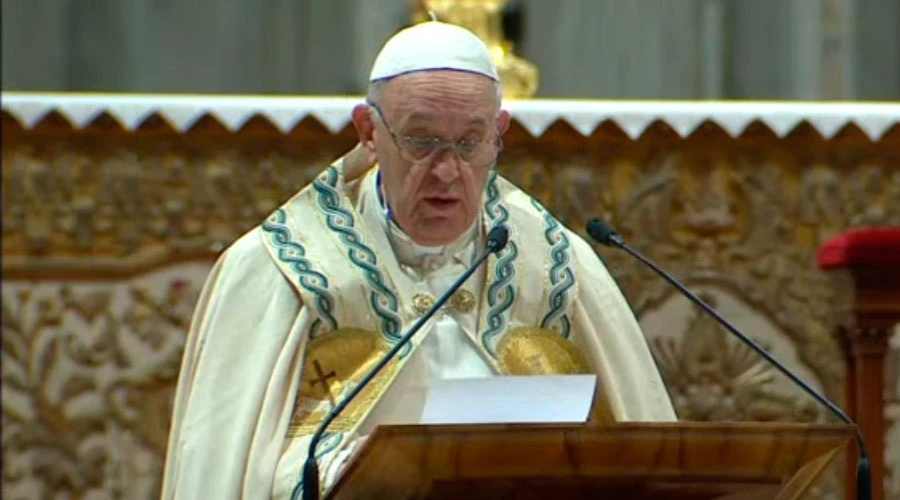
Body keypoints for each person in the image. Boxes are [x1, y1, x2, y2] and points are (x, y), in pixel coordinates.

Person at [160, 20, 676, 500]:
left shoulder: (556, 267)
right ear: (368, 131)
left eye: (471, 143)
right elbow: (231, 469)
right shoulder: (284, 267)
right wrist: (351, 467)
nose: (448, 172)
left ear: (500, 132)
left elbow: (637, 453)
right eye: (422, 142)